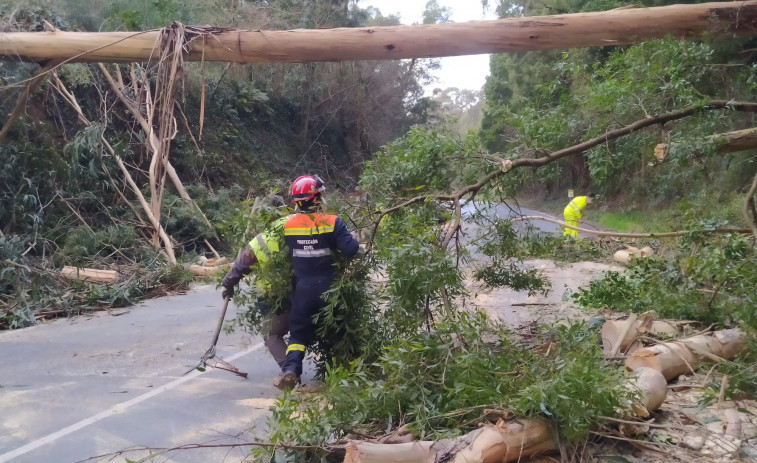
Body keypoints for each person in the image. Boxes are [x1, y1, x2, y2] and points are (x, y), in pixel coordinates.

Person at [274, 175, 360, 390]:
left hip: (302, 289)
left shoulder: (289, 225)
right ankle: (346, 373)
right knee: (339, 329)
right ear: (317, 198)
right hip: (329, 288)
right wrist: (353, 237)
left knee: (298, 333)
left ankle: (291, 370)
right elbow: (350, 250)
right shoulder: (332, 221)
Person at [221, 195, 293, 368]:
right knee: (300, 333)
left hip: (273, 296)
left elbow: (240, 266)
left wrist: (227, 284)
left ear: (264, 217)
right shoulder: (298, 228)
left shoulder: (260, 241)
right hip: (303, 290)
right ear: (283, 210)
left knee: (272, 334)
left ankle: (289, 369)